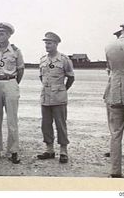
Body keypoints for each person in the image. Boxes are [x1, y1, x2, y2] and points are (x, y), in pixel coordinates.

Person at [0, 22, 24, 164]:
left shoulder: (15, 51)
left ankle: (13, 150)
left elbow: (20, 70)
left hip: (10, 82)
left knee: (12, 119)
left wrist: (13, 83)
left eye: (2, 33)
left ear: (9, 35)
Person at [37, 32, 74, 164]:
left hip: (59, 97)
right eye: (46, 43)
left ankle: (63, 151)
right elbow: (41, 77)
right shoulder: (42, 60)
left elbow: (71, 77)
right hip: (45, 97)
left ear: (56, 44)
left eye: (50, 43)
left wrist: (62, 89)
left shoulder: (64, 59)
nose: (47, 45)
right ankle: (49, 150)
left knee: (60, 124)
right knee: (46, 125)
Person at [105, 22, 124, 178]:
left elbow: (110, 69)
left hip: (115, 93)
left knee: (115, 134)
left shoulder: (110, 46)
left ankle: (115, 171)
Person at [103, 28, 122, 158]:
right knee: (113, 124)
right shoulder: (114, 53)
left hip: (118, 90)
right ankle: (114, 150)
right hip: (112, 90)